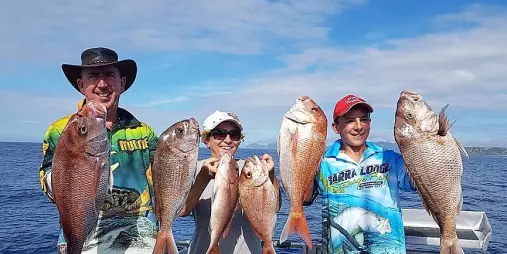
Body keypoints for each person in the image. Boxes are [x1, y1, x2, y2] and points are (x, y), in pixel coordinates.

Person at [39, 47, 159, 253]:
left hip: (141, 235)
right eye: (93, 76)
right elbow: (47, 185)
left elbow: (162, 180)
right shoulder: (61, 130)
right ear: (81, 85)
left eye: (109, 75)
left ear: (121, 83)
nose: (102, 84)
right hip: (80, 235)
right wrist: (71, 175)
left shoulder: (143, 131)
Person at [303, 94, 417, 254]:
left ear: (370, 123)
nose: (358, 126)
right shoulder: (325, 163)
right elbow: (304, 198)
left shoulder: (389, 158)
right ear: (336, 127)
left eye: (364, 119)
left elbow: (418, 183)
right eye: (350, 121)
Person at [180, 110, 281, 254]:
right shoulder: (194, 169)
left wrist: (270, 176)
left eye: (234, 134)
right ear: (206, 140)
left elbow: (275, 207)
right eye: (219, 133)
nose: (228, 140)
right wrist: (202, 179)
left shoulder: (251, 170)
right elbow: (182, 211)